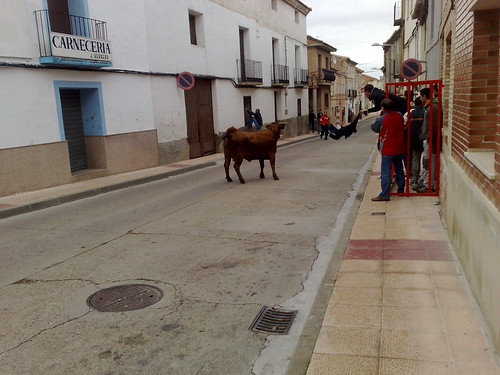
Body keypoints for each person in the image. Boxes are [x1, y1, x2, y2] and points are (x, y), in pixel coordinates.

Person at [370, 99, 406, 201]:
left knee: (385, 172)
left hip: (387, 148)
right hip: (399, 147)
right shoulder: (399, 115)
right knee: (399, 169)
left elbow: (374, 128)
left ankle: (385, 194)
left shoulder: (382, 118)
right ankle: (401, 190)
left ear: (383, 107)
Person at [415, 87, 442, 192]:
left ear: (424, 96)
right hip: (428, 140)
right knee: (426, 162)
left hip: (431, 141)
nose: (420, 99)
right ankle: (424, 182)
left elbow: (434, 126)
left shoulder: (432, 108)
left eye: (421, 96)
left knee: (430, 162)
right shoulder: (429, 108)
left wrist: (429, 139)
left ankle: (429, 186)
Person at [408, 97, 425, 187]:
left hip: (414, 139)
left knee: (415, 159)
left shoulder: (412, 113)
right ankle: (424, 179)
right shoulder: (425, 112)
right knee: (425, 159)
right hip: (424, 139)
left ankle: (414, 178)